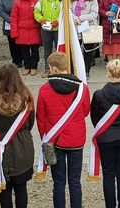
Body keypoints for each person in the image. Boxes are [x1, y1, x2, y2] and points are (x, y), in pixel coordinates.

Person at [36, 52, 91, 208]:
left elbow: (40, 118)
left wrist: (46, 139)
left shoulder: (44, 89)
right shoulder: (82, 88)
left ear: (53, 68)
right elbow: (86, 112)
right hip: (76, 139)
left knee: (58, 182)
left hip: (56, 140)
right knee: (75, 181)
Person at [0, 64, 36, 208]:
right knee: (21, 187)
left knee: (4, 189)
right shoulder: (26, 98)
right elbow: (30, 122)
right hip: (21, 144)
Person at [90, 59, 120, 208]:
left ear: (108, 74)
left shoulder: (98, 95)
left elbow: (95, 118)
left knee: (108, 175)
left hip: (106, 138)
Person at [10, 0, 41, 76]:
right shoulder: (17, 2)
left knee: (35, 50)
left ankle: (34, 67)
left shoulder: (37, 1)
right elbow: (14, 17)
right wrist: (14, 31)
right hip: (22, 30)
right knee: (24, 50)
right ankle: (27, 66)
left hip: (34, 29)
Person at [71, 0, 99, 77]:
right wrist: (75, 18)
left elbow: (94, 14)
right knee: (75, 50)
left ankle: (86, 71)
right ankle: (75, 71)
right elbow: (69, 11)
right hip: (75, 28)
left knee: (88, 51)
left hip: (88, 28)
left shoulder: (92, 0)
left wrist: (81, 18)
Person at [34, 0, 62, 78]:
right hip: (46, 29)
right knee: (47, 49)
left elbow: (64, 13)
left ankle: (59, 69)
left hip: (58, 29)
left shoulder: (61, 0)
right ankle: (47, 69)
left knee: (59, 49)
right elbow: (36, 11)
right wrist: (41, 20)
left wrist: (57, 21)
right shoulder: (42, 0)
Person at [0, 0, 23, 67]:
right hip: (8, 23)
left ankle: (20, 60)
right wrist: (9, 19)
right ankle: (15, 59)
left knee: (19, 43)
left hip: (19, 23)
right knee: (11, 43)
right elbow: (1, 11)